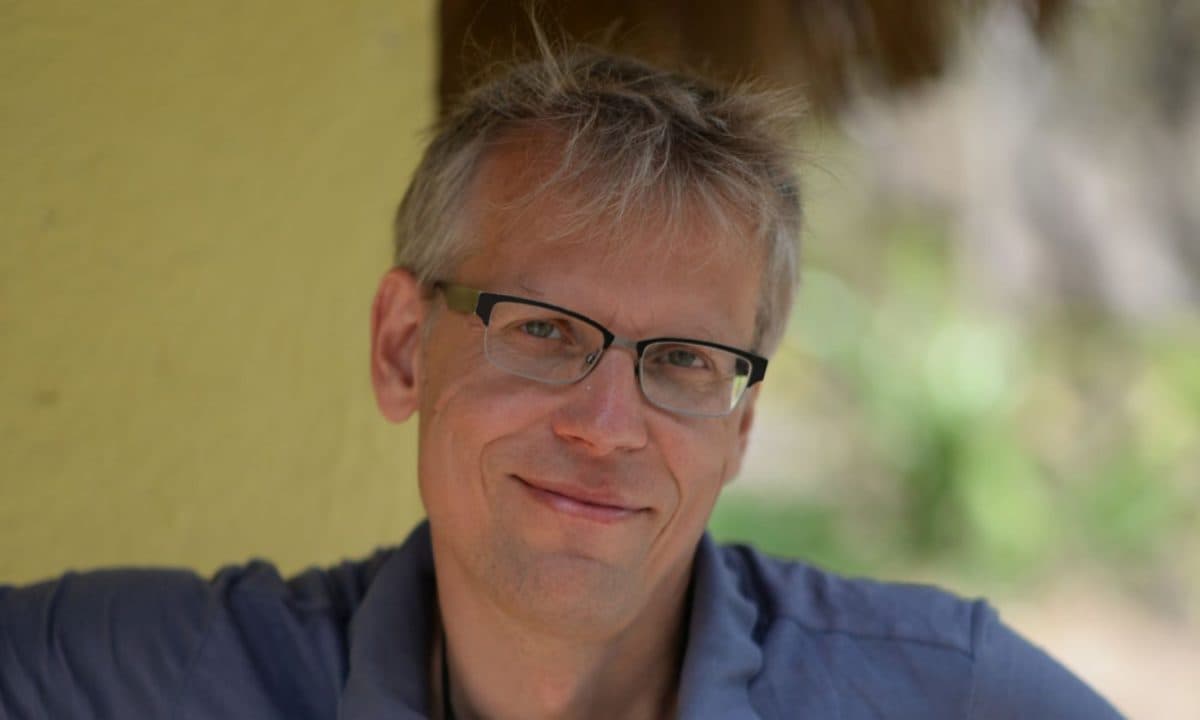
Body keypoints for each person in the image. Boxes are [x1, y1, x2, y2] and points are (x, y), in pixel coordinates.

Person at [0, 47, 1122, 720]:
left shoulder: (946, 693)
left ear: (740, 429)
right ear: (402, 348)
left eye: (683, 361)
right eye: (542, 330)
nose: (606, 425)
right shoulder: (173, 681)